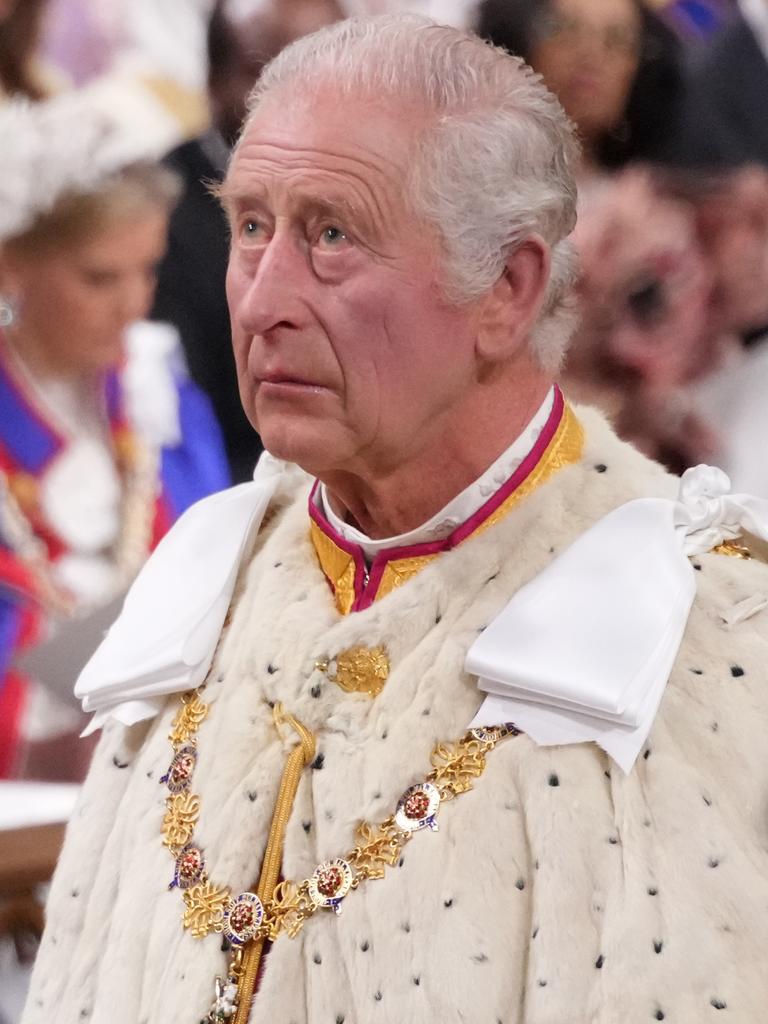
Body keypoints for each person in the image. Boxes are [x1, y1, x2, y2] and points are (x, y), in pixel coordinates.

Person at [21, 15, 768, 1024]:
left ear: (507, 288)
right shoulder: (199, 579)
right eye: (250, 227)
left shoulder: (702, 633)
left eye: (332, 234)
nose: (263, 300)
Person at [0, 98, 231, 779]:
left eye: (149, 270)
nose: (134, 303)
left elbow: (213, 564)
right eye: (100, 277)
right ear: (13, 267)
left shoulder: (160, 395)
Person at [477, 0, 683, 172]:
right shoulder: (475, 179)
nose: (591, 53)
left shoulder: (651, 208)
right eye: (567, 28)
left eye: (617, 38)